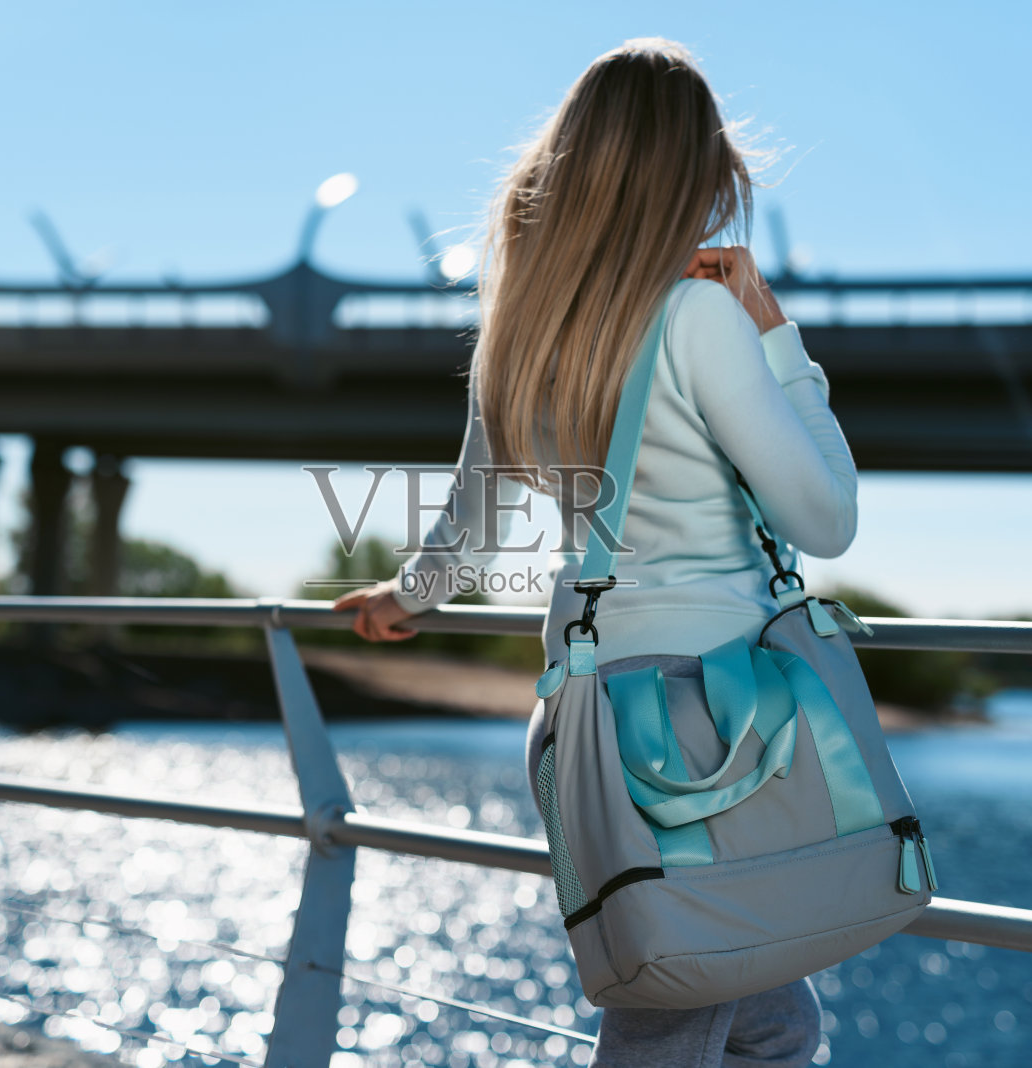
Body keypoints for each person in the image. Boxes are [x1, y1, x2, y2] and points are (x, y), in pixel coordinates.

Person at [335, 37, 856, 1068]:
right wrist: (777, 338)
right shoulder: (702, 318)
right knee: (677, 1020)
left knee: (766, 1023)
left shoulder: (516, 329)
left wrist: (405, 599)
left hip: (580, 719)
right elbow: (826, 519)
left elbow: (468, 537)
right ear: (694, 178)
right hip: (705, 730)